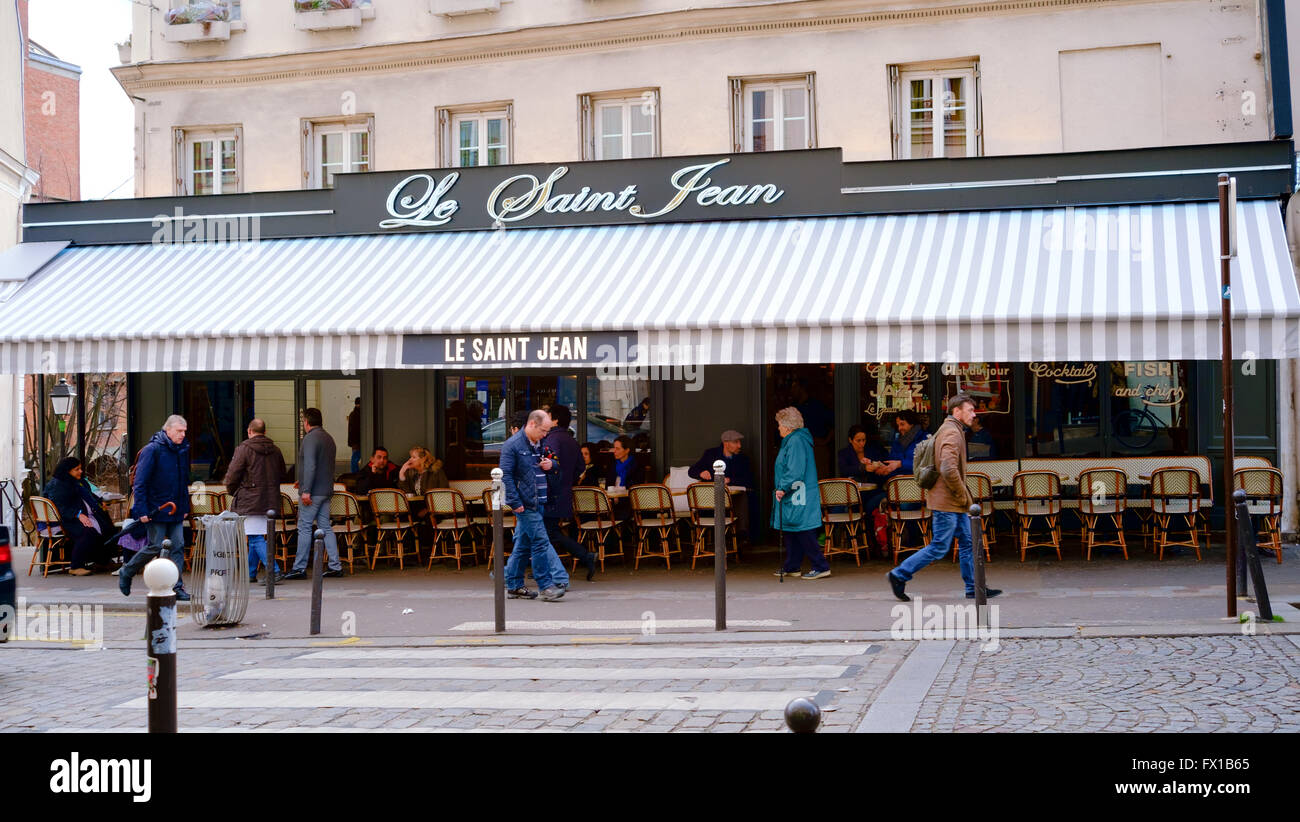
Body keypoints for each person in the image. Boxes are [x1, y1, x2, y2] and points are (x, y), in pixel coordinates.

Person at [886, 394, 1002, 602]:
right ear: (957, 411)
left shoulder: (951, 429)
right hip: (947, 502)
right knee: (939, 546)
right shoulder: (952, 433)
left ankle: (974, 588)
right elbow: (948, 468)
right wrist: (962, 495)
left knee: (968, 541)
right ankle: (899, 574)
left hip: (951, 502)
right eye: (970, 410)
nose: (974, 414)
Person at [119, 415, 192, 601]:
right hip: (156, 509)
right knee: (154, 546)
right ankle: (127, 571)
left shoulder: (181, 450)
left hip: (175, 508)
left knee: (178, 546)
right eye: (179, 431)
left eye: (184, 431)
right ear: (168, 430)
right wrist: (141, 510)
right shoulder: (152, 450)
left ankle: (177, 587)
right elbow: (140, 483)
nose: (183, 434)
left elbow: (183, 481)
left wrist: (184, 506)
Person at [500, 410, 565, 602]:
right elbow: (505, 475)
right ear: (531, 425)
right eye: (543, 430)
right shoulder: (512, 445)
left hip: (539, 501)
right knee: (540, 542)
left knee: (523, 545)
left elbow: (555, 462)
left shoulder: (539, 442)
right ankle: (546, 586)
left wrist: (551, 464)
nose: (545, 434)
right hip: (526, 504)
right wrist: (515, 502)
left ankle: (514, 586)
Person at [223, 419, 287, 583]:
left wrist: (233, 492)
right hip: (270, 499)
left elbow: (232, 476)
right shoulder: (276, 450)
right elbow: (282, 473)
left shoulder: (244, 449)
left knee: (255, 537)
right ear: (264, 432)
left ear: (249, 431)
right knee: (255, 536)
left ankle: (274, 571)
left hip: (250, 499)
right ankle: (250, 573)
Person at [283, 408, 343, 580]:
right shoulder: (328, 438)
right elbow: (324, 466)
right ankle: (335, 565)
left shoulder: (310, 439)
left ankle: (299, 567)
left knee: (304, 527)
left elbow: (310, 465)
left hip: (313, 492)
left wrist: (306, 489)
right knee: (325, 526)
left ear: (306, 422)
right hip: (326, 490)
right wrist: (302, 481)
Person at [771, 407, 829, 579]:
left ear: (787, 426)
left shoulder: (795, 441)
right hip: (796, 492)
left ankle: (821, 565)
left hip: (797, 492)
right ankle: (792, 565)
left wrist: (782, 487)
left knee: (803, 529)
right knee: (791, 528)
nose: (778, 428)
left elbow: (795, 470)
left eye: (780, 425)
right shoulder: (794, 440)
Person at [543, 404, 598, 581]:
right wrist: (568, 481)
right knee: (547, 532)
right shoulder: (571, 440)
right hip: (563, 492)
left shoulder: (552, 440)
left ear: (555, 420)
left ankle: (585, 555)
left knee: (549, 532)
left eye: (548, 416)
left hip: (551, 493)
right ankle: (541, 568)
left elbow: (551, 465)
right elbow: (580, 467)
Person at [43, 457, 114, 575]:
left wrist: (99, 503)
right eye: (77, 469)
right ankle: (76, 566)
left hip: (81, 515)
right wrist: (77, 514)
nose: (80, 471)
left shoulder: (78, 482)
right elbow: (60, 506)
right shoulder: (58, 485)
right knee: (87, 532)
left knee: (108, 528)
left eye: (80, 468)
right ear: (68, 471)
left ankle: (102, 562)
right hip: (66, 519)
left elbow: (89, 496)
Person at [688, 429, 758, 539]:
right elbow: (692, 471)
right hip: (712, 500)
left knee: (744, 498)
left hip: (734, 499)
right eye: (736, 442)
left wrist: (729, 480)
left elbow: (749, 480)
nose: (739, 446)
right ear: (726, 443)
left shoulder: (743, 459)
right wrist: (701, 473)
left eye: (740, 442)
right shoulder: (711, 454)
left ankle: (741, 536)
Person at [347, 397, 362, 473]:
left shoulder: (353, 414)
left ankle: (354, 472)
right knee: (355, 458)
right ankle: (354, 473)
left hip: (355, 441)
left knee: (355, 457)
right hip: (357, 441)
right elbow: (355, 429)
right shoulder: (356, 414)